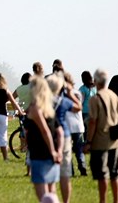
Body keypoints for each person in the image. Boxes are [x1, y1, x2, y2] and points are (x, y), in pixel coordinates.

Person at [83, 69, 118, 203]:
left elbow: (92, 122)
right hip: (114, 142)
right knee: (114, 174)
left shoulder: (95, 99)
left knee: (102, 175)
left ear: (95, 81)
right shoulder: (113, 95)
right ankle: (116, 200)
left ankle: (103, 200)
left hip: (99, 142)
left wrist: (88, 142)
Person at [25, 76, 63, 202]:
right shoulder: (49, 108)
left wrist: (52, 150)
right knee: (52, 191)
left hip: (40, 153)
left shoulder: (35, 108)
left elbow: (44, 130)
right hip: (52, 154)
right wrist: (59, 151)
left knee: (43, 196)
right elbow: (60, 132)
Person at [47, 73, 82, 203]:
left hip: (49, 134)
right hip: (64, 134)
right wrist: (70, 93)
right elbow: (78, 107)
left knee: (50, 172)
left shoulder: (43, 101)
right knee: (65, 173)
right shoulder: (64, 101)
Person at [0, 74, 25, 161]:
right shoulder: (6, 91)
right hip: (2, 115)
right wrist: (20, 112)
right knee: (2, 136)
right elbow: (14, 103)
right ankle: (5, 158)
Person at [63, 73, 87, 177]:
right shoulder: (78, 93)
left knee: (67, 150)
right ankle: (82, 166)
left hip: (67, 125)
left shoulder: (62, 94)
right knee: (79, 149)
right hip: (78, 125)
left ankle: (70, 170)